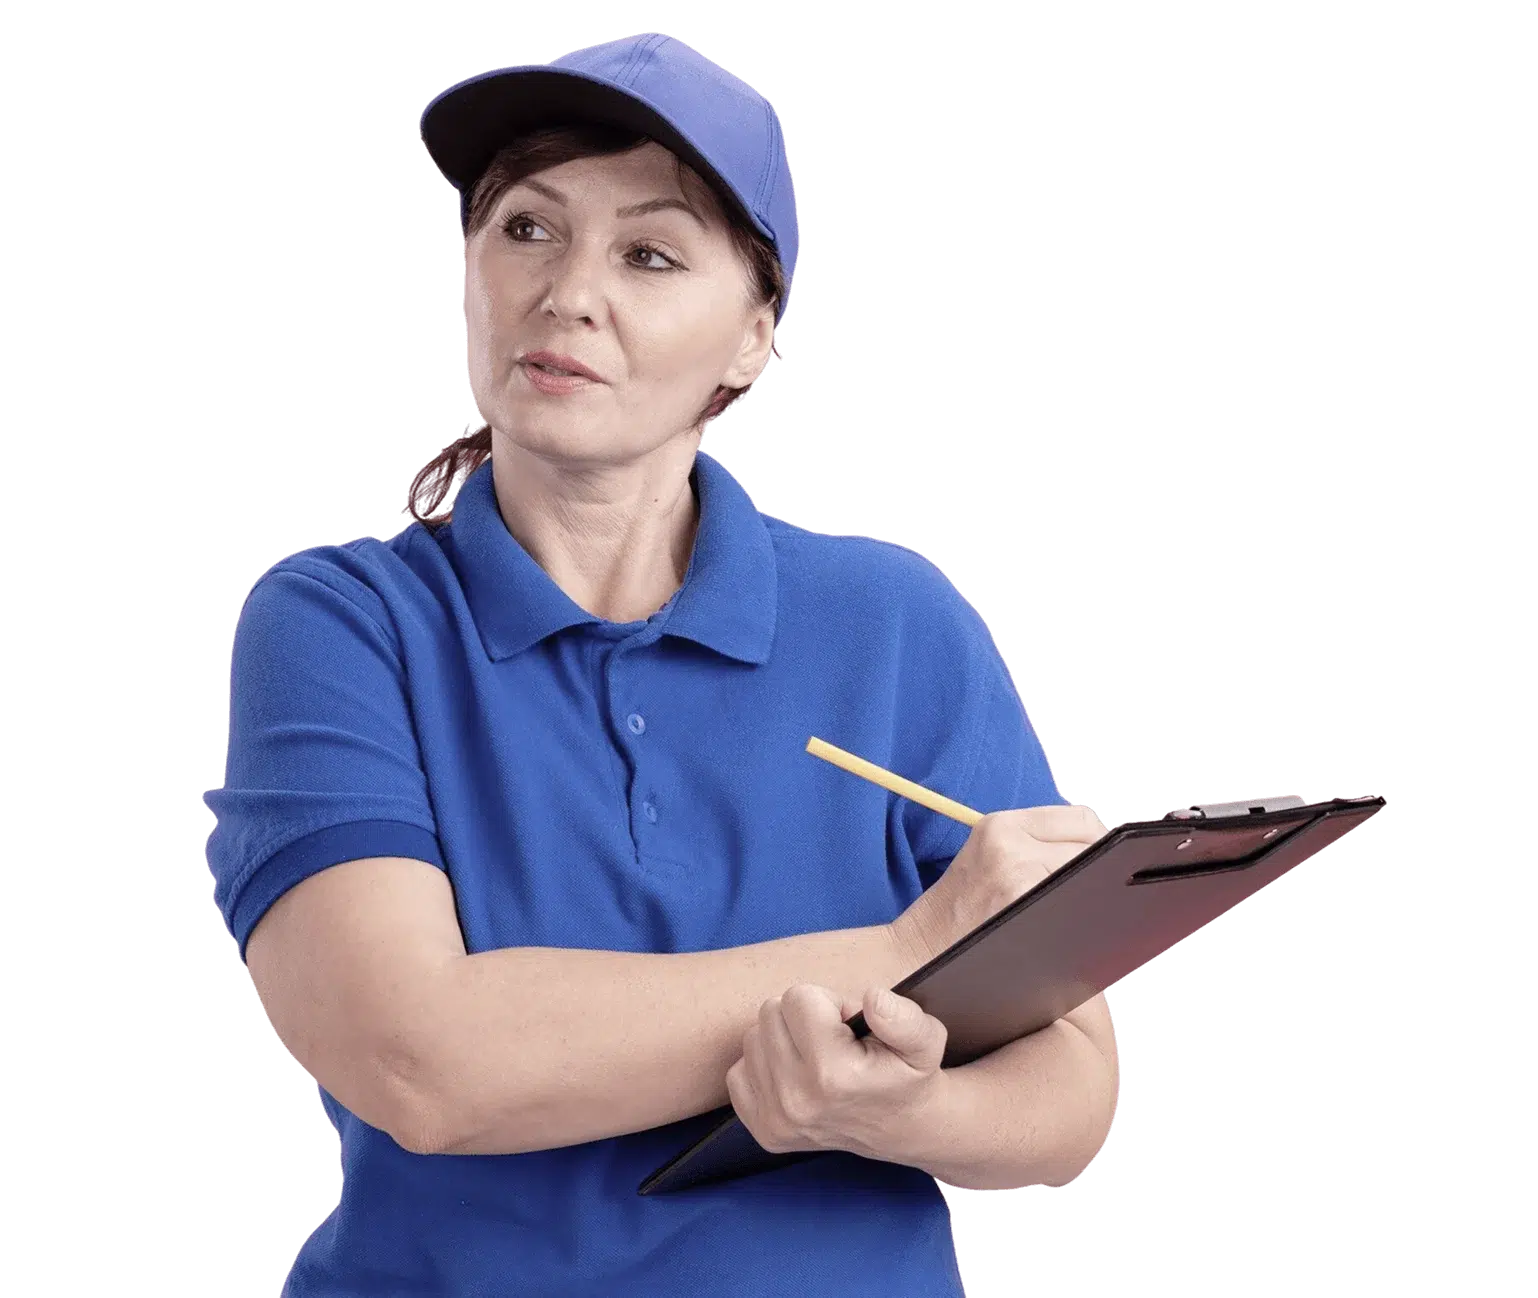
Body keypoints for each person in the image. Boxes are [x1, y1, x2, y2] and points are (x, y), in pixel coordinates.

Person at [203, 34, 1116, 1298]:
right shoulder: (339, 620)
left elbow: (1071, 1099)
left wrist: (879, 1113)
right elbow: (419, 1062)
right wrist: (911, 945)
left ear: (752, 339)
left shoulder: (897, 617)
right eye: (525, 228)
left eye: (648, 252)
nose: (568, 291)